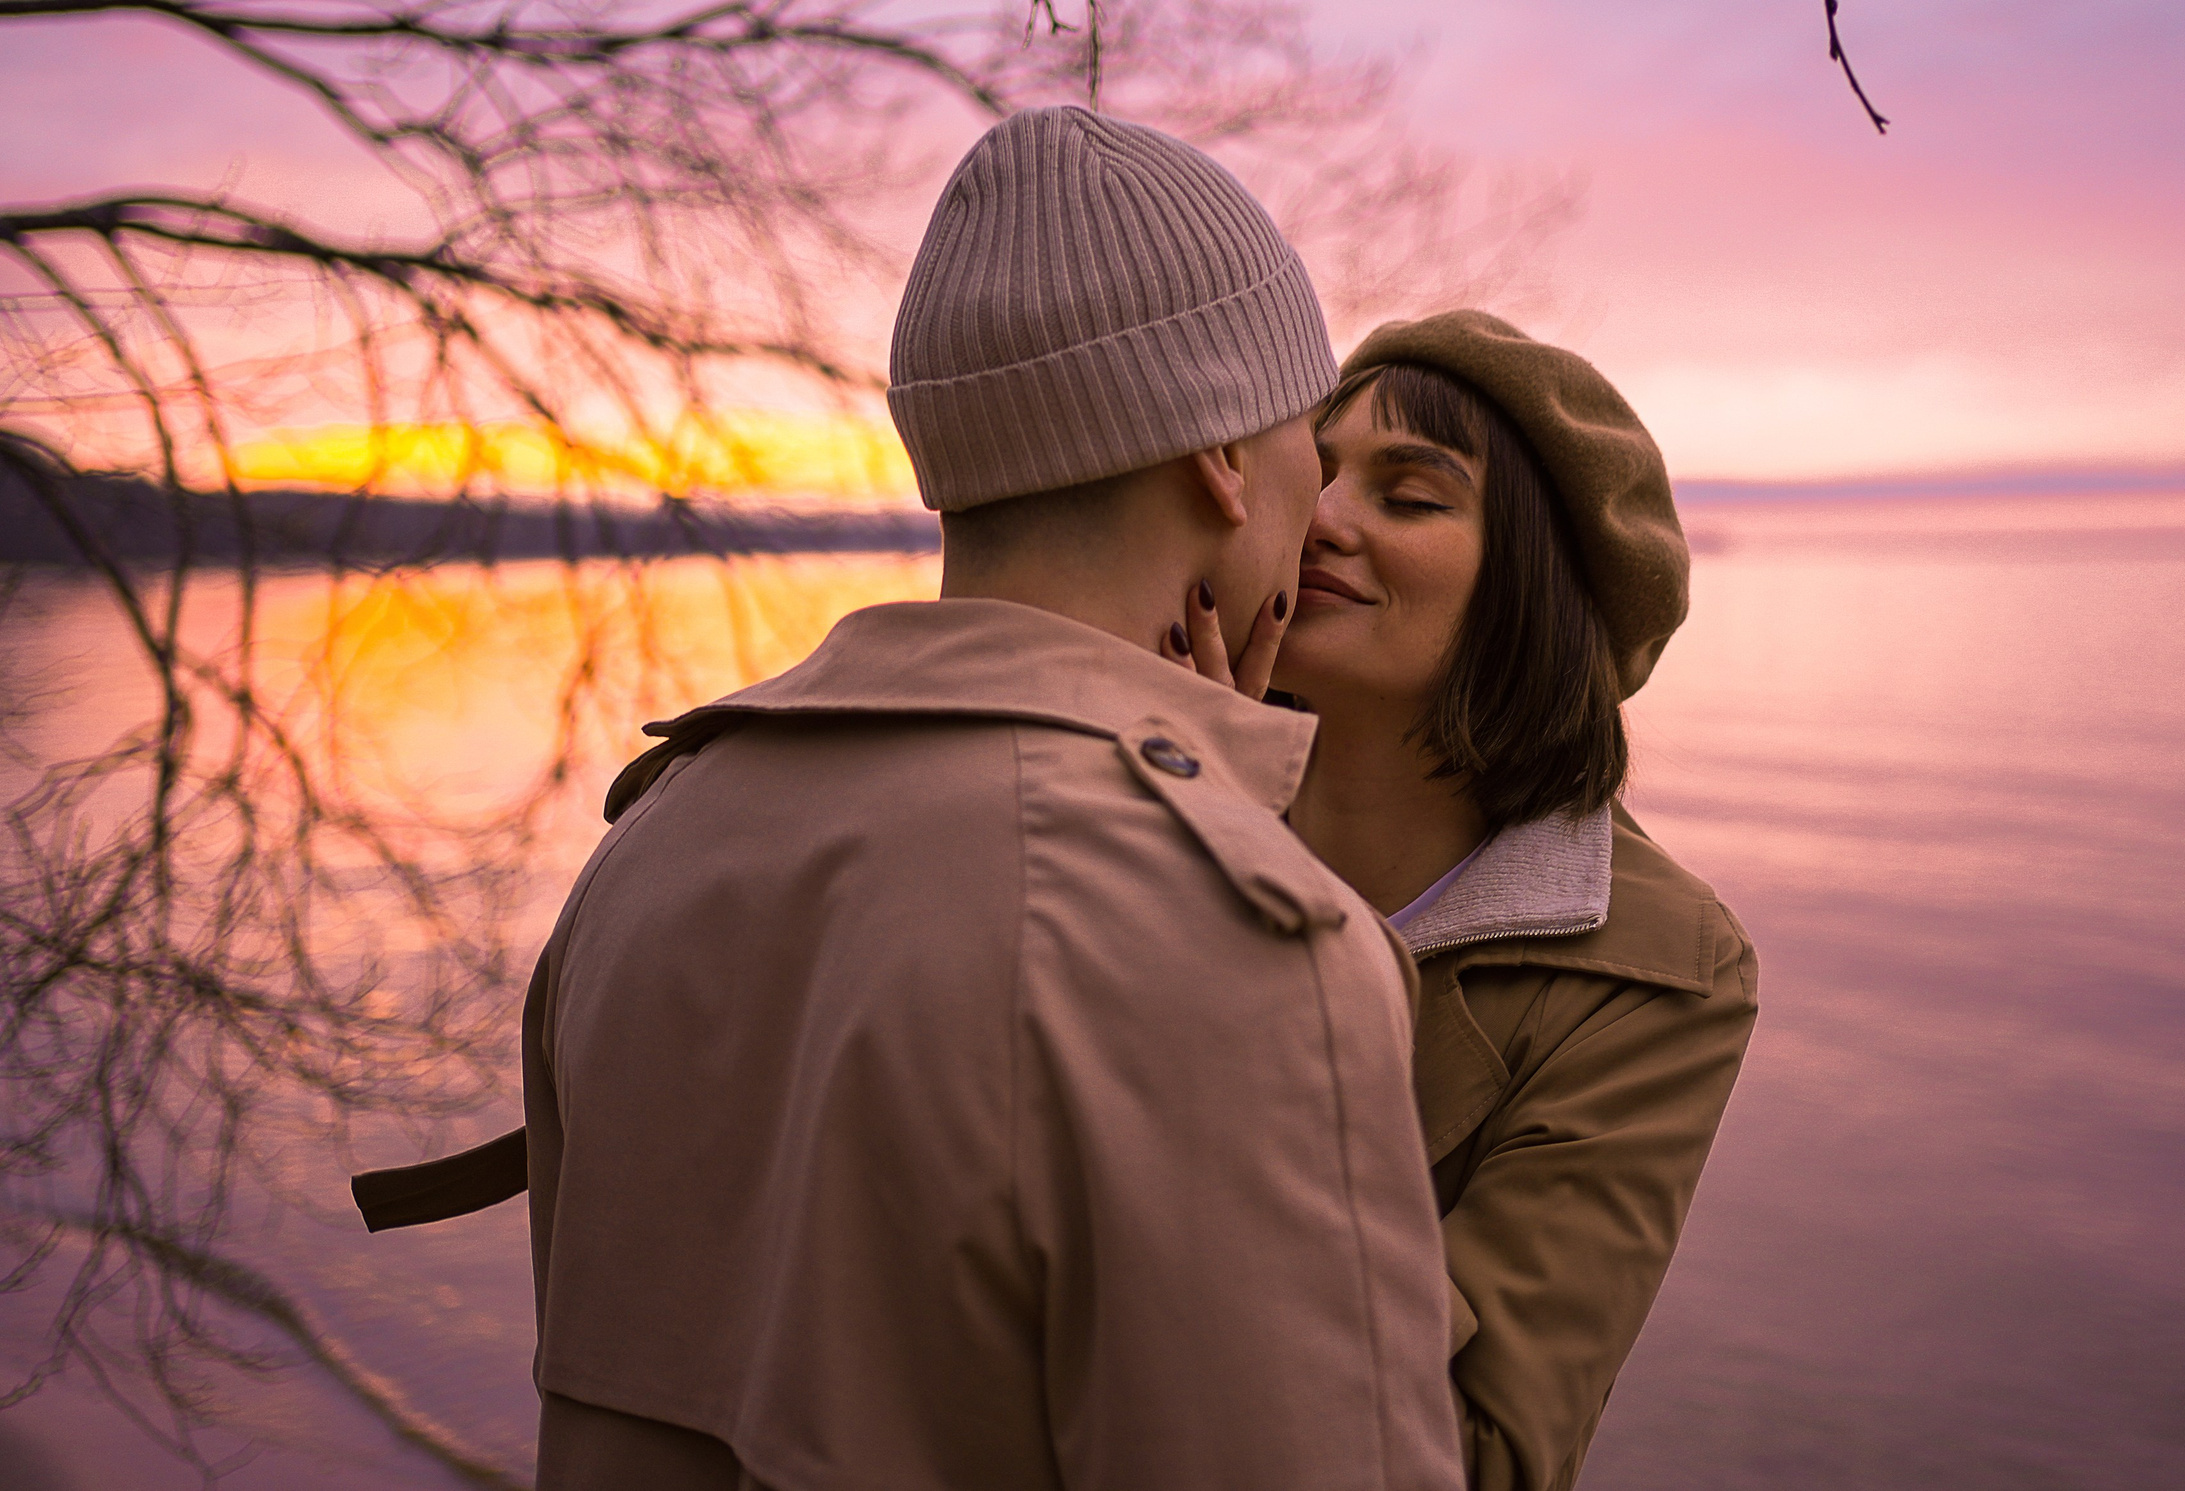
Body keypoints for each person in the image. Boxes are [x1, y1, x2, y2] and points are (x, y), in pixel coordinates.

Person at [359, 109, 1463, 1491]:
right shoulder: (1234, 943)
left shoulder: (651, 847)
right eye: (1310, 434)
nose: (1324, 504)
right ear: (1226, 459)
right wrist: (1228, 826)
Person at [1215, 309, 1760, 1491]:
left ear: (1533, 591)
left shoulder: (1658, 967)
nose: (1320, 519)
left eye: (1409, 498)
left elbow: (1477, 1453)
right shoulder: (1137, 815)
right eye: (1312, 473)